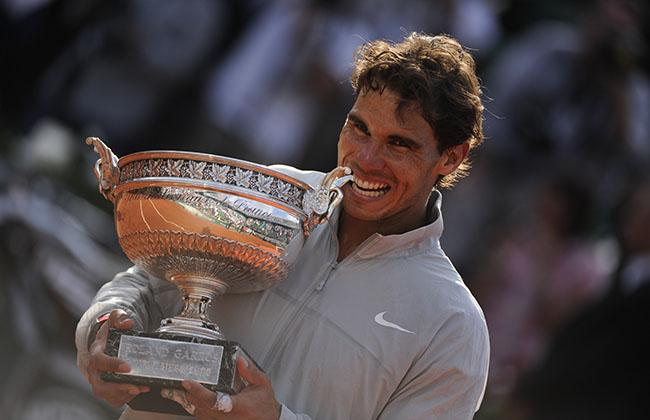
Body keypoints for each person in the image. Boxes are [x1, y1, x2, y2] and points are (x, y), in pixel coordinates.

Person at [75, 32, 490, 420]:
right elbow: (145, 285)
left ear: (450, 158)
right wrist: (105, 326)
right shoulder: (271, 198)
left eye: (399, 144)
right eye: (358, 128)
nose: (365, 159)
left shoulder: (451, 326)